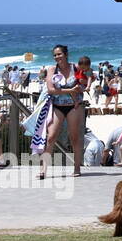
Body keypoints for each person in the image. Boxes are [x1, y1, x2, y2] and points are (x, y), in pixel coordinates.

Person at [39, 44, 88, 179]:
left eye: (59, 54)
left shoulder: (75, 67)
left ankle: (77, 168)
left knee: (74, 137)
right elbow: (51, 90)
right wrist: (70, 90)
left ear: (66, 54)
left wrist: (81, 87)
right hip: (57, 106)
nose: (57, 57)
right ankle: (43, 170)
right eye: (55, 55)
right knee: (51, 137)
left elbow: (86, 80)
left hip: (74, 106)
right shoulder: (52, 70)